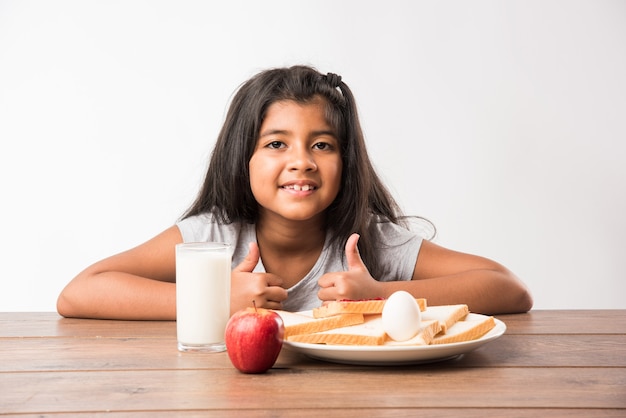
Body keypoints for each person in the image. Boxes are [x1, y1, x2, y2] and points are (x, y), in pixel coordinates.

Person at [57, 65, 533, 320]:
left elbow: (509, 289)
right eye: (276, 144)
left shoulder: (367, 241)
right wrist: (212, 298)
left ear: (346, 161)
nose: (301, 160)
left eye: (322, 144)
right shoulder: (214, 236)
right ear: (242, 157)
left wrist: (382, 295)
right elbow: (79, 294)